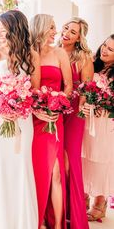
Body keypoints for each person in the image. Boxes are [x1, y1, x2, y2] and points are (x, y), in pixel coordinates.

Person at [0, 10, 40, 229]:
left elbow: (34, 91)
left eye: (1, 29)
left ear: (14, 29)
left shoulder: (31, 55)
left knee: (21, 166)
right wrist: (2, 108)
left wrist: (21, 105)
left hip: (23, 121)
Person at [30, 14, 73, 229]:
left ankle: (57, 225)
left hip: (55, 119)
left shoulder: (60, 54)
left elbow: (68, 85)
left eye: (55, 27)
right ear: (40, 29)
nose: (56, 32)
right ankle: (37, 221)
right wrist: (40, 108)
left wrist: (59, 101)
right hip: (36, 120)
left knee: (56, 173)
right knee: (39, 172)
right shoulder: (31, 55)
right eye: (52, 27)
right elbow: (33, 88)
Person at [60, 17, 93, 229]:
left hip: (73, 112)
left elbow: (87, 89)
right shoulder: (50, 50)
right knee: (55, 161)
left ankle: (74, 214)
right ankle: (57, 210)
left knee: (71, 160)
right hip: (52, 110)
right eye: (66, 28)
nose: (67, 33)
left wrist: (79, 102)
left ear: (80, 38)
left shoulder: (84, 58)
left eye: (73, 32)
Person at [82, 34, 114, 222]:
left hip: (105, 123)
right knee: (85, 157)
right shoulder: (92, 65)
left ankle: (100, 203)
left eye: (110, 49)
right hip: (87, 120)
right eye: (104, 45)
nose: (104, 50)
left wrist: (107, 106)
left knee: (103, 160)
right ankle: (83, 197)